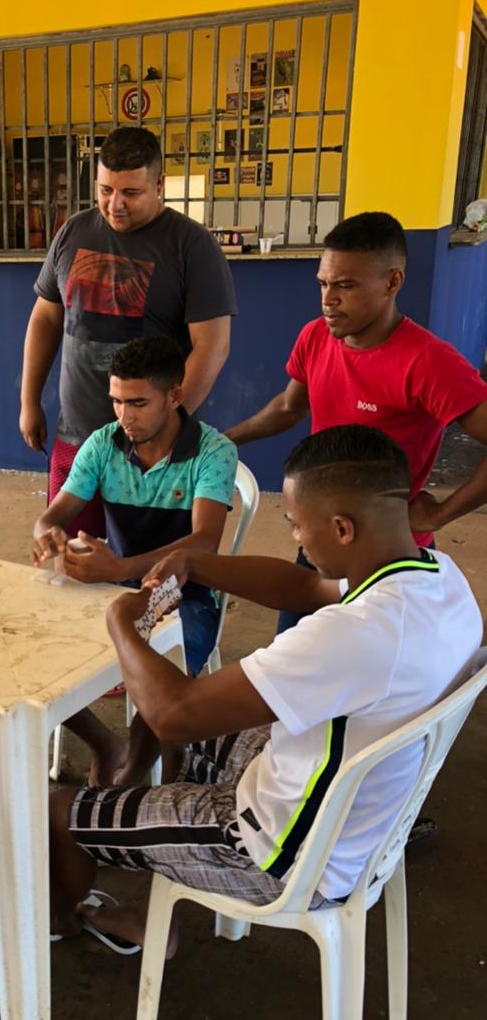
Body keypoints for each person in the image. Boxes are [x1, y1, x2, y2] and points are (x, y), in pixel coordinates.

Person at [48, 426, 482, 950]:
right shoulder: (437, 577)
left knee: (61, 811)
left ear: (342, 528)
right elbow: (304, 586)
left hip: (276, 852)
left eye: (297, 526)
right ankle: (153, 852)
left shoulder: (353, 636)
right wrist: (197, 562)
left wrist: (120, 618)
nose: (296, 539)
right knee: (175, 730)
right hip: (345, 809)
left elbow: (173, 712)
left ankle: (66, 918)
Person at [225, 211, 487, 632]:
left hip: (388, 556)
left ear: (392, 282)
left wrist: (440, 515)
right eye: (324, 284)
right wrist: (225, 440)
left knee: (378, 681)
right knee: (293, 658)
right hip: (317, 542)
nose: (328, 300)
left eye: (345, 286)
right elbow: (289, 408)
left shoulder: (428, 362)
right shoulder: (315, 336)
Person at [32, 334, 237, 783]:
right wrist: (48, 535)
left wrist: (123, 568)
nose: (125, 415)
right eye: (117, 401)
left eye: (138, 402)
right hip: (112, 589)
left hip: (188, 595)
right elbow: (55, 514)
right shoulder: (103, 443)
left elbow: (204, 542)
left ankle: (134, 778)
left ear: (175, 396)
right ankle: (105, 744)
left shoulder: (213, 451)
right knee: (33, 649)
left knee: (165, 679)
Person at [20, 125, 237, 537]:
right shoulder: (73, 232)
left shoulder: (192, 246)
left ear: (158, 184)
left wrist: (163, 430)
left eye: (130, 193)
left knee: (153, 577)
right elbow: (45, 319)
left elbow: (212, 347)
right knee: (69, 561)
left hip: (155, 448)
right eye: (104, 190)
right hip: (79, 436)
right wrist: (29, 400)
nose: (114, 205)